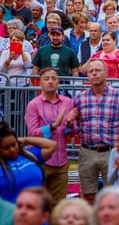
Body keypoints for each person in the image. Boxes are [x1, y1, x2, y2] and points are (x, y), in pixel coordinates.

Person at [67, 58, 119, 204]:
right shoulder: (79, 98)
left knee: (113, 196)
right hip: (87, 152)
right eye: (91, 71)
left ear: (106, 73)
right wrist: (70, 123)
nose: (94, 73)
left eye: (98, 70)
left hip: (112, 151)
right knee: (88, 196)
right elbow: (73, 130)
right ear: (87, 75)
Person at [25, 68, 75, 205]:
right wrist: (52, 126)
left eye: (53, 78)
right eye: (46, 79)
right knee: (39, 204)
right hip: (41, 161)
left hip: (61, 161)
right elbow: (32, 133)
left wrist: (70, 124)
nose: (51, 82)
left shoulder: (67, 102)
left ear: (59, 82)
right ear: (40, 82)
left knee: (58, 206)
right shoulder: (33, 104)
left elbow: (71, 132)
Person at [0, 121, 57, 203]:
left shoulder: (28, 154)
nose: (12, 150)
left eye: (13, 144)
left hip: (37, 211)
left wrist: (25, 140)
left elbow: (52, 145)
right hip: (11, 214)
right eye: (6, 148)